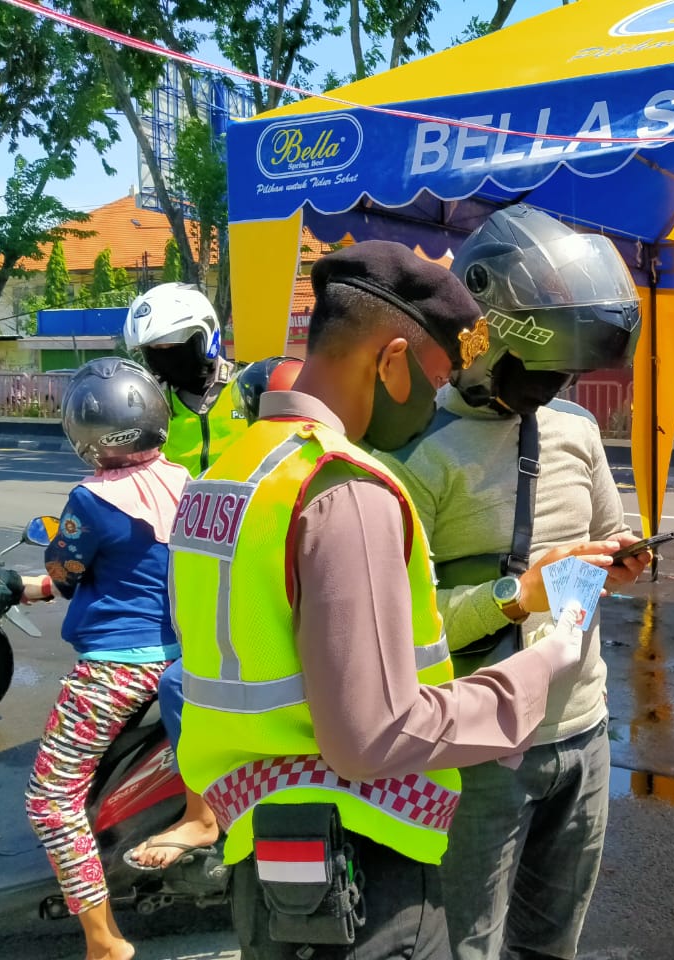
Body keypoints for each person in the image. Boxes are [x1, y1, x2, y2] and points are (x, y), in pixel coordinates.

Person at [170, 240, 594, 960]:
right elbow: (372, 736)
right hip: (365, 878)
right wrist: (543, 663)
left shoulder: (229, 471)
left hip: (264, 852)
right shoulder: (345, 487)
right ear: (391, 360)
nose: (436, 400)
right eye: (436, 378)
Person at [387, 205, 650, 960]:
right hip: (476, 747)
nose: (552, 385)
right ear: (484, 337)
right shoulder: (416, 453)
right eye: (540, 370)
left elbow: (605, 539)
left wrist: (624, 558)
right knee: (467, 942)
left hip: (584, 727)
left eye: (563, 373)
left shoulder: (576, 430)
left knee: (553, 942)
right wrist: (511, 598)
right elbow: (399, 628)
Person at [23, 357, 190, 960]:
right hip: (174, 656)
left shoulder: (90, 501)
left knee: (48, 798)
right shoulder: (186, 481)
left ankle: (104, 941)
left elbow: (66, 570)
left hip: (114, 669)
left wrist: (51, 575)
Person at [128, 354, 305, 872]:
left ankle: (202, 815)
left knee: (179, 684)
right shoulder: (316, 463)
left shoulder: (253, 481)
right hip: (296, 631)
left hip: (279, 636)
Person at [123, 282, 246, 474]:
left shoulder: (246, 387)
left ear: (203, 338)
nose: (165, 358)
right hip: (176, 503)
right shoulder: (151, 405)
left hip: (242, 502)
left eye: (171, 346)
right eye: (155, 351)